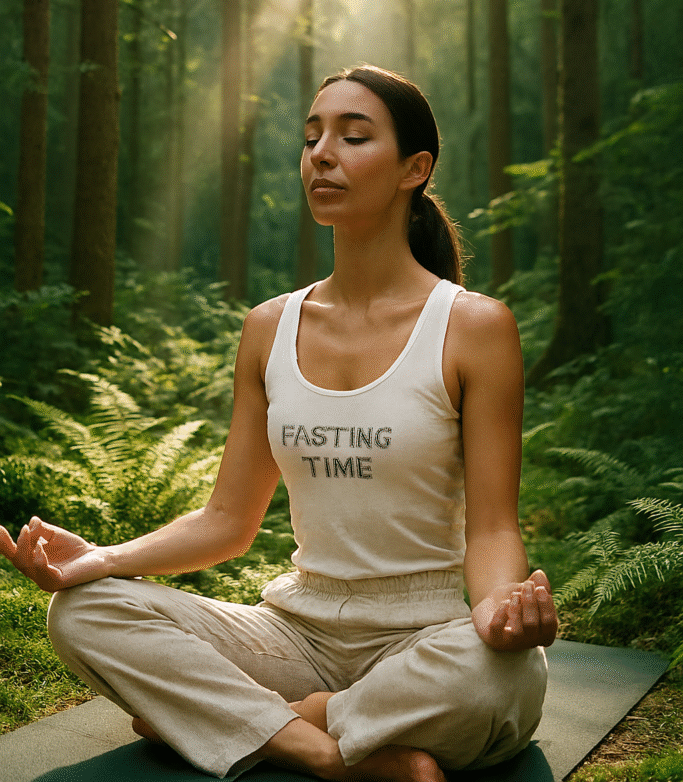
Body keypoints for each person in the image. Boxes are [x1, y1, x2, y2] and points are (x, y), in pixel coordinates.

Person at [0, 66, 557, 782]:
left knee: (502, 675)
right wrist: (102, 559)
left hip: (423, 636)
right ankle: (326, 753)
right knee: (83, 615)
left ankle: (254, 720)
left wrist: (500, 613)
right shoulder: (269, 327)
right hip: (292, 632)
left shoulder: (473, 326)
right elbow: (228, 520)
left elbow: (490, 528)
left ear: (413, 169)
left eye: (352, 137)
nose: (321, 153)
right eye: (311, 137)